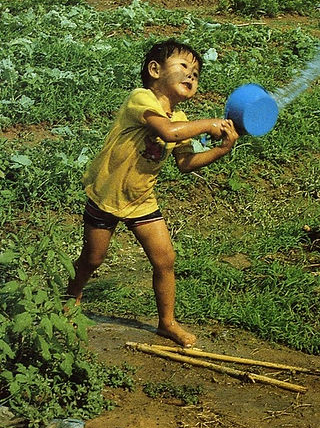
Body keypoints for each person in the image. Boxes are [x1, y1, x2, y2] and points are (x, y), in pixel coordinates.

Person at [67, 39, 239, 348]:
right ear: (155, 69)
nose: (191, 75)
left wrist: (223, 149)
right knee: (93, 258)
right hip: (107, 195)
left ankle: (166, 323)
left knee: (165, 259)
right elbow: (167, 132)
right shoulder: (140, 99)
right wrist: (209, 124)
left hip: (141, 200)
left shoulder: (183, 120)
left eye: (196, 73)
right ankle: (72, 295)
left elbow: (186, 163)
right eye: (184, 67)